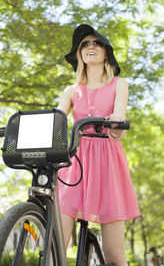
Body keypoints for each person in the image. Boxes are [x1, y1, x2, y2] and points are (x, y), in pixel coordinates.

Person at [58, 24, 140, 266]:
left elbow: (119, 129)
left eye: (96, 43)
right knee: (55, 248)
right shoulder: (71, 90)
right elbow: (58, 121)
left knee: (115, 256)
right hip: (75, 163)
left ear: (106, 53)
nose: (90, 46)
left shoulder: (119, 84)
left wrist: (115, 121)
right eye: (85, 44)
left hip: (108, 163)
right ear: (79, 54)